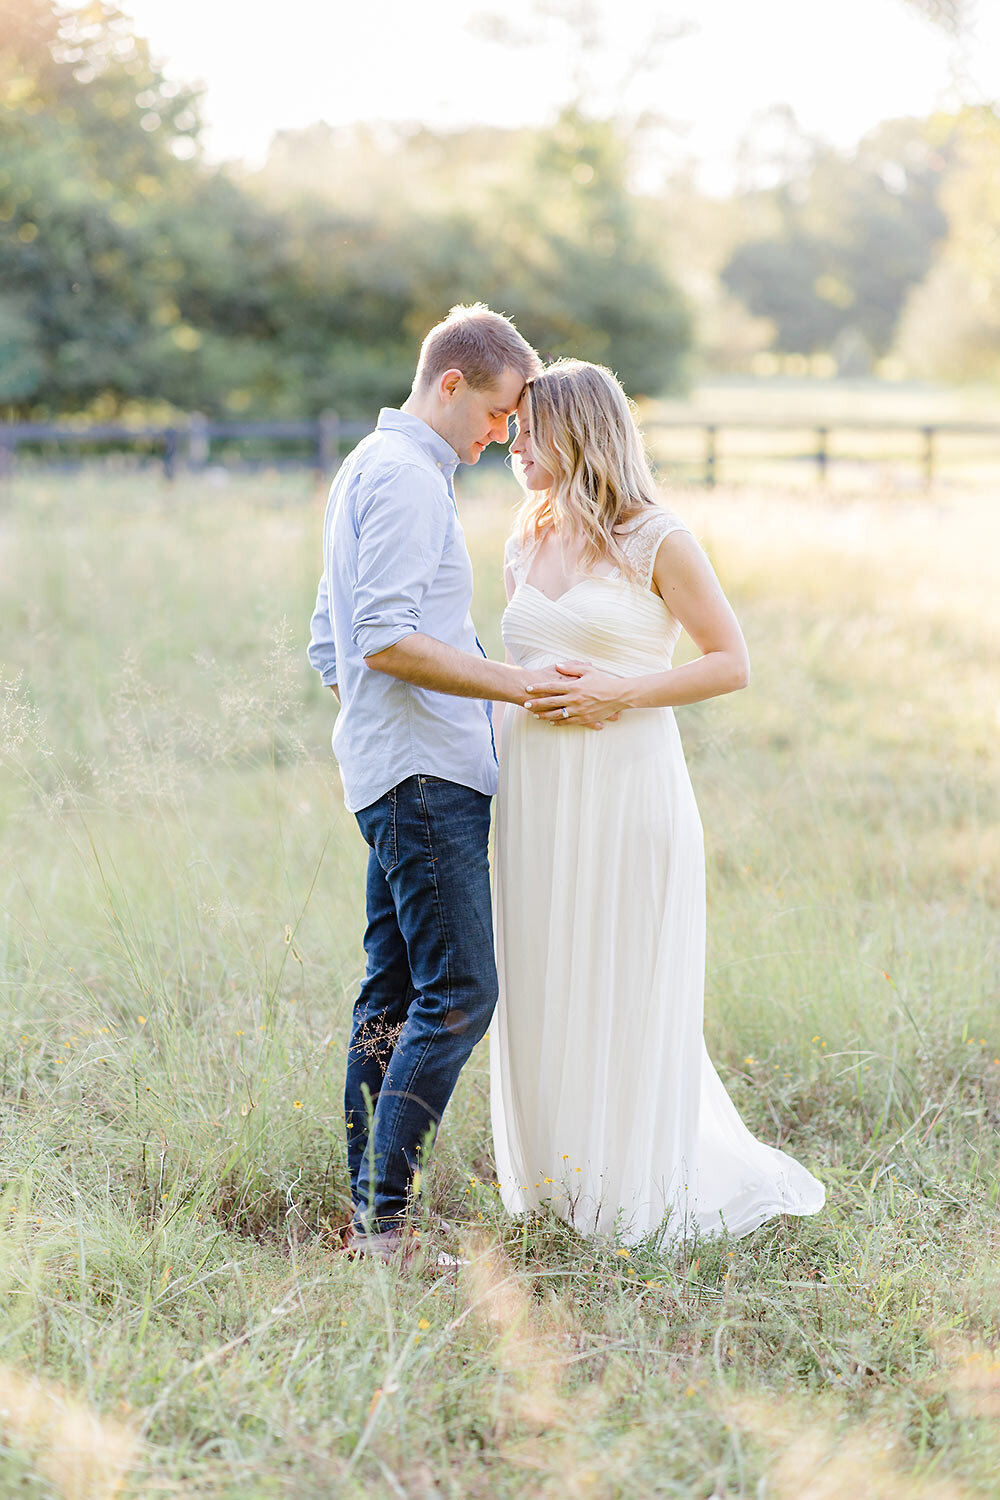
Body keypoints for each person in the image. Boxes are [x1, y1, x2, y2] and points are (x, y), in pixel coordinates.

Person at [490, 359, 825, 1245]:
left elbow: (730, 661)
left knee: (621, 975)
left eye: (529, 425)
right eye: (511, 425)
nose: (513, 441)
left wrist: (619, 692)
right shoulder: (524, 537)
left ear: (579, 429)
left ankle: (629, 1189)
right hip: (533, 792)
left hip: (627, 784)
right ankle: (559, 1186)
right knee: (543, 974)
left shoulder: (655, 537)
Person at [307, 305, 589, 1259]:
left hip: (396, 765)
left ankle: (367, 1213)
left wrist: (377, 727)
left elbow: (328, 641)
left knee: (391, 990)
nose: (504, 434)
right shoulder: (409, 480)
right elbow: (380, 639)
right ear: (453, 384)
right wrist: (511, 685)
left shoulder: (365, 469)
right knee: (461, 990)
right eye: (502, 412)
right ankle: (383, 1227)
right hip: (425, 776)